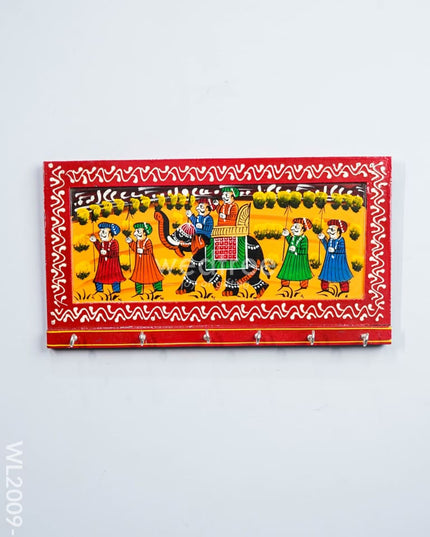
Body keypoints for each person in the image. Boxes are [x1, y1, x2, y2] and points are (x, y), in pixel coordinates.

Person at [126, 223, 164, 295]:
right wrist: (130, 242)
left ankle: (158, 289)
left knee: (154, 276)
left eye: (138, 231)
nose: (135, 233)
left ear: (144, 233)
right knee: (138, 277)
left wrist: (143, 251)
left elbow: (150, 251)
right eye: (136, 231)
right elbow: (135, 248)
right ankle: (139, 292)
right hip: (139, 264)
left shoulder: (148, 241)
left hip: (148, 263)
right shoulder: (138, 241)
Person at [318, 219, 353, 292]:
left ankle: (344, 290)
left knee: (342, 275)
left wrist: (334, 250)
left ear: (339, 232)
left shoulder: (341, 240)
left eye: (332, 229)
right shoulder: (330, 240)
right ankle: (324, 289)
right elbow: (327, 248)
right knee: (326, 275)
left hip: (339, 261)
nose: (329, 231)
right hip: (329, 262)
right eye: (329, 229)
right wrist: (323, 239)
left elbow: (341, 249)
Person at [277, 217, 313, 288]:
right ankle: (285, 284)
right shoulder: (293, 237)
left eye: (296, 227)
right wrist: (287, 235)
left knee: (302, 273)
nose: (292, 228)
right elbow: (290, 241)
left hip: (300, 259)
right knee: (287, 270)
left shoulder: (304, 239)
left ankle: (304, 285)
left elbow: (304, 250)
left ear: (303, 229)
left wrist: (296, 250)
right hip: (290, 258)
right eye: (293, 226)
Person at [90, 222, 125, 293]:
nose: (100, 233)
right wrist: (95, 241)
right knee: (99, 277)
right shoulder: (103, 242)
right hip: (103, 265)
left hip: (112, 265)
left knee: (114, 279)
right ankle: (99, 290)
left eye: (103, 232)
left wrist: (107, 253)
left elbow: (115, 253)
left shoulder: (114, 242)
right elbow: (100, 248)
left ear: (110, 233)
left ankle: (116, 291)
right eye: (100, 231)